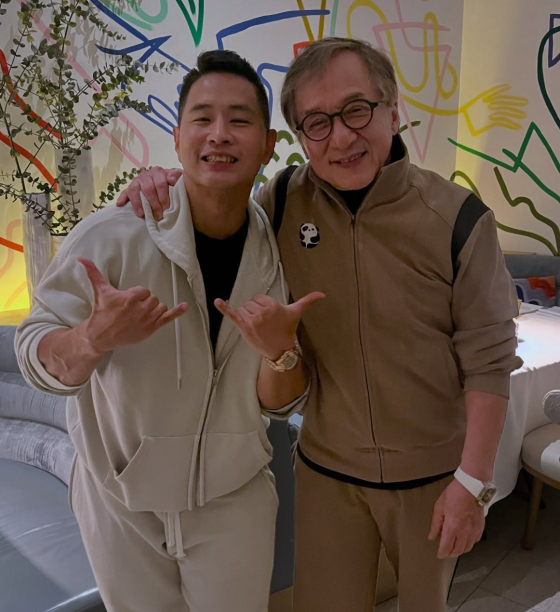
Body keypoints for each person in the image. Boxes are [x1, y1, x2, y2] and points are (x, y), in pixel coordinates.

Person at [117, 38, 522, 612]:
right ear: (298, 136)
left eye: (357, 110)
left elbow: (490, 362)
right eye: (317, 122)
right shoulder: (282, 202)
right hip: (326, 472)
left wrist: (473, 483)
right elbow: (215, 207)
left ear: (392, 110)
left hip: (432, 477)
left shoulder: (458, 218)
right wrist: (161, 184)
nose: (341, 137)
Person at [15, 50, 324, 612]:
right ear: (178, 139)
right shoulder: (112, 236)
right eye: (203, 118)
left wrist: (280, 353)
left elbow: (278, 405)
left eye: (239, 119)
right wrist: (91, 338)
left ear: (267, 144)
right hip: (121, 501)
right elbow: (34, 353)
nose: (219, 134)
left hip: (234, 498)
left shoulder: (278, 249)